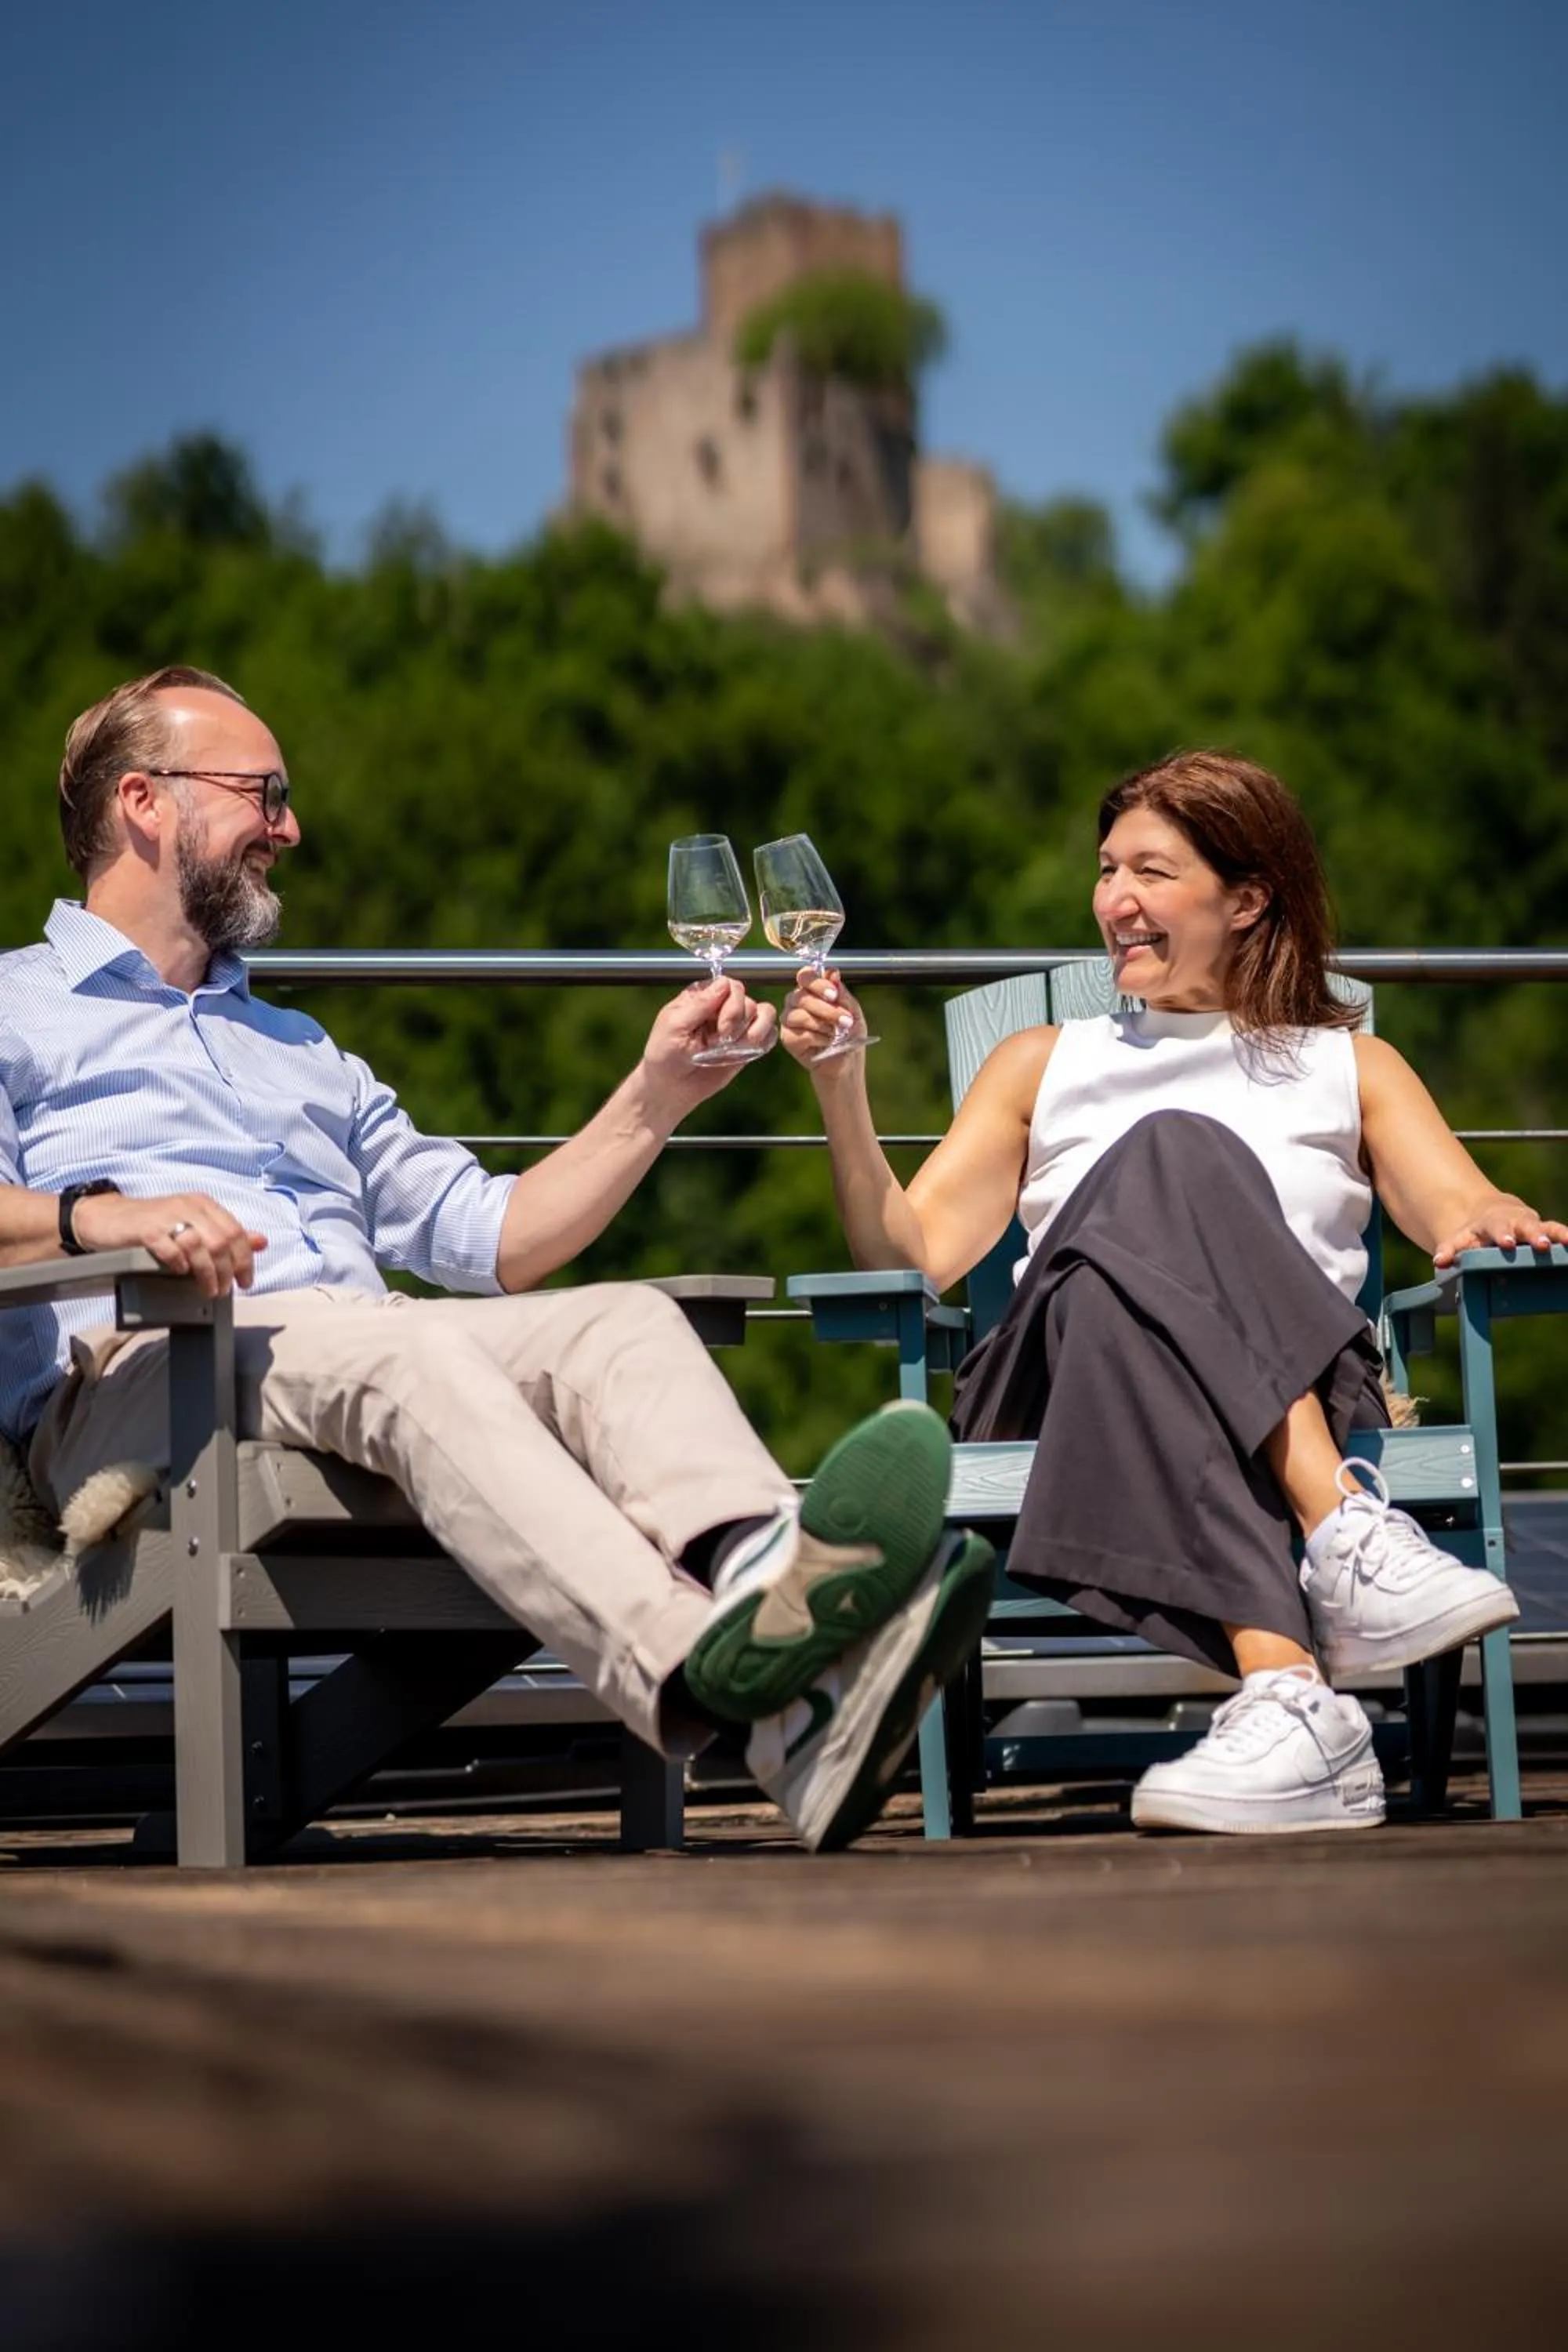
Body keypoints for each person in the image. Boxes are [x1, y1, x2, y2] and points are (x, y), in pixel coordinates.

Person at [0, 666, 993, 1853]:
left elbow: (494, 1238)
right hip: (137, 1378)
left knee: (618, 1320)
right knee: (401, 1358)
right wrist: (97, 1216)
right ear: (144, 803)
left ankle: (776, 1618)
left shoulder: (298, 1045)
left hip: (341, 1352)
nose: (290, 827)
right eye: (262, 793)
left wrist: (658, 1094)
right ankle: (721, 1685)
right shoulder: (15, 1007)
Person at [783, 750, 1567, 1835]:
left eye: (1152, 871)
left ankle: (1292, 1701)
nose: (1117, 902)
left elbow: (1461, 1207)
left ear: (1247, 899)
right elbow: (905, 1258)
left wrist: (1490, 1217)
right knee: (1169, 1154)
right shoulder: (1040, 1061)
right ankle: (1343, 1533)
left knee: (1138, 1270)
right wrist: (842, 1085)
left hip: (1287, 1383)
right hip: (1054, 1394)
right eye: (1108, 870)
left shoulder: (1349, 1067)